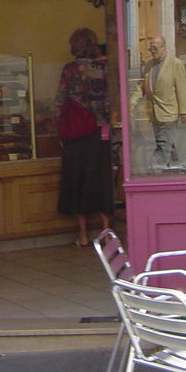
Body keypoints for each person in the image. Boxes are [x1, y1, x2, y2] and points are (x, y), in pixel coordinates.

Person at [55, 28, 113, 247]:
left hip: (75, 133)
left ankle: (82, 235)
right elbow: (111, 100)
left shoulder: (69, 70)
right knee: (101, 182)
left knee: (77, 183)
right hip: (100, 133)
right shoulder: (103, 68)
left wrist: (59, 130)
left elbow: (60, 101)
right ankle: (107, 234)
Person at [140, 35, 186, 170]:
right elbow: (142, 86)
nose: (153, 52)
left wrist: (184, 111)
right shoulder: (149, 65)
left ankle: (157, 170)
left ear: (163, 47)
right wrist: (131, 102)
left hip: (169, 112)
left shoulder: (176, 64)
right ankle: (177, 166)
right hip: (155, 112)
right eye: (151, 49)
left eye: (155, 49)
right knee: (167, 142)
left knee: (163, 145)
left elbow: (182, 88)